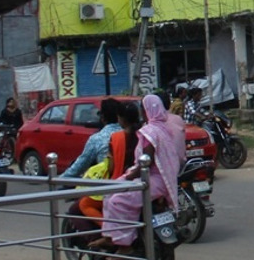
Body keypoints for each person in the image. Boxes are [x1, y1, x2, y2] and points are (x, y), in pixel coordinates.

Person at [98, 95, 181, 249]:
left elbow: (146, 162)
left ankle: (123, 244)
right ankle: (110, 235)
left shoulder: (150, 132)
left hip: (152, 180)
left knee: (117, 201)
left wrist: (128, 176)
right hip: (163, 179)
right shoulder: (165, 129)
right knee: (110, 193)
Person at [61, 97, 123, 178]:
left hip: (106, 185)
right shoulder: (130, 134)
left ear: (103, 117)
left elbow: (80, 166)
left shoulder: (97, 139)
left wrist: (58, 180)